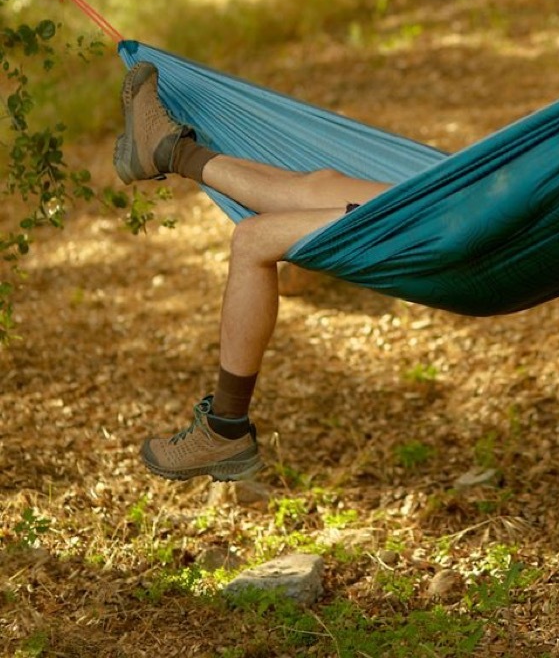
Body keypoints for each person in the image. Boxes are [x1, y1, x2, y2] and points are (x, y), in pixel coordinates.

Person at [114, 61, 392, 482]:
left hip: (453, 227)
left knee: (254, 239)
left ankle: (226, 427)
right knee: (316, 185)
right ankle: (168, 151)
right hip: (455, 200)